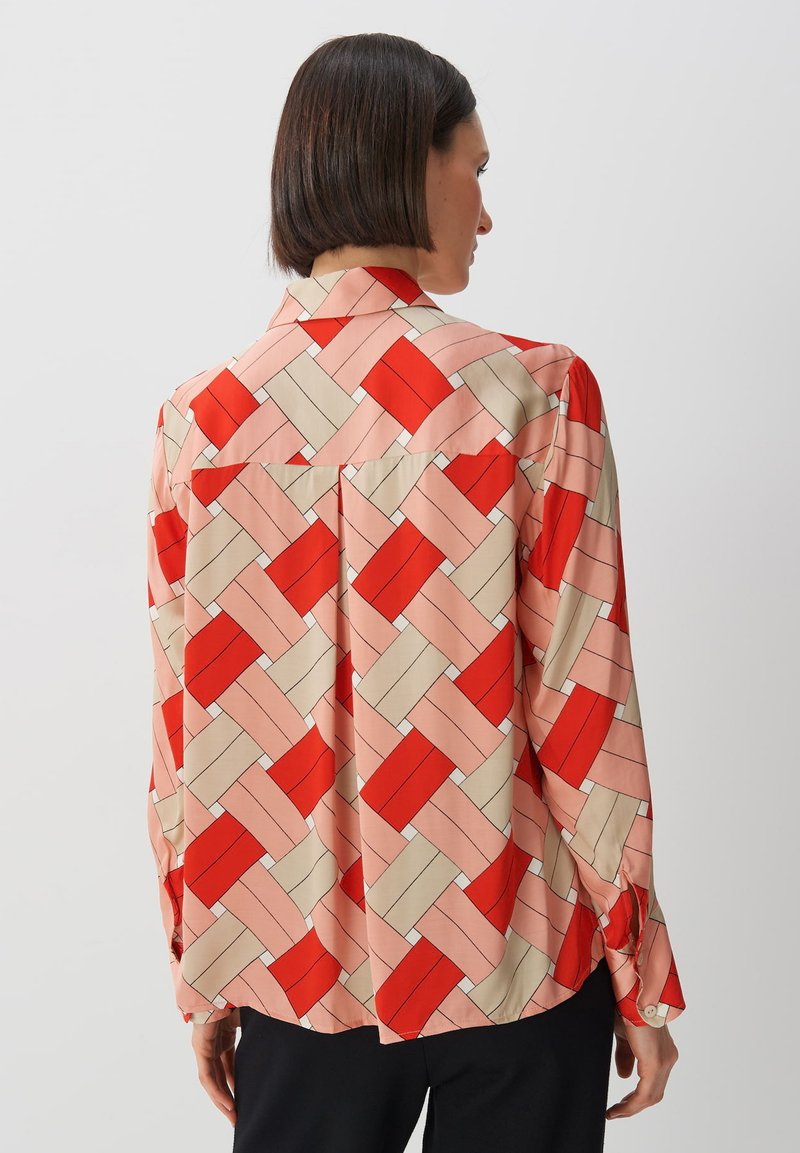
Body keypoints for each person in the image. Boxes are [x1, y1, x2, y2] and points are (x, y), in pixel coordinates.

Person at [145, 31, 686, 1153]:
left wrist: (204, 966)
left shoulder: (201, 421)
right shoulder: (534, 394)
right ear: (406, 160)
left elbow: (182, 729)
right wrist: (639, 969)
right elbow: (583, 708)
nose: (486, 214)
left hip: (294, 966)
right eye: (474, 169)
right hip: (517, 956)